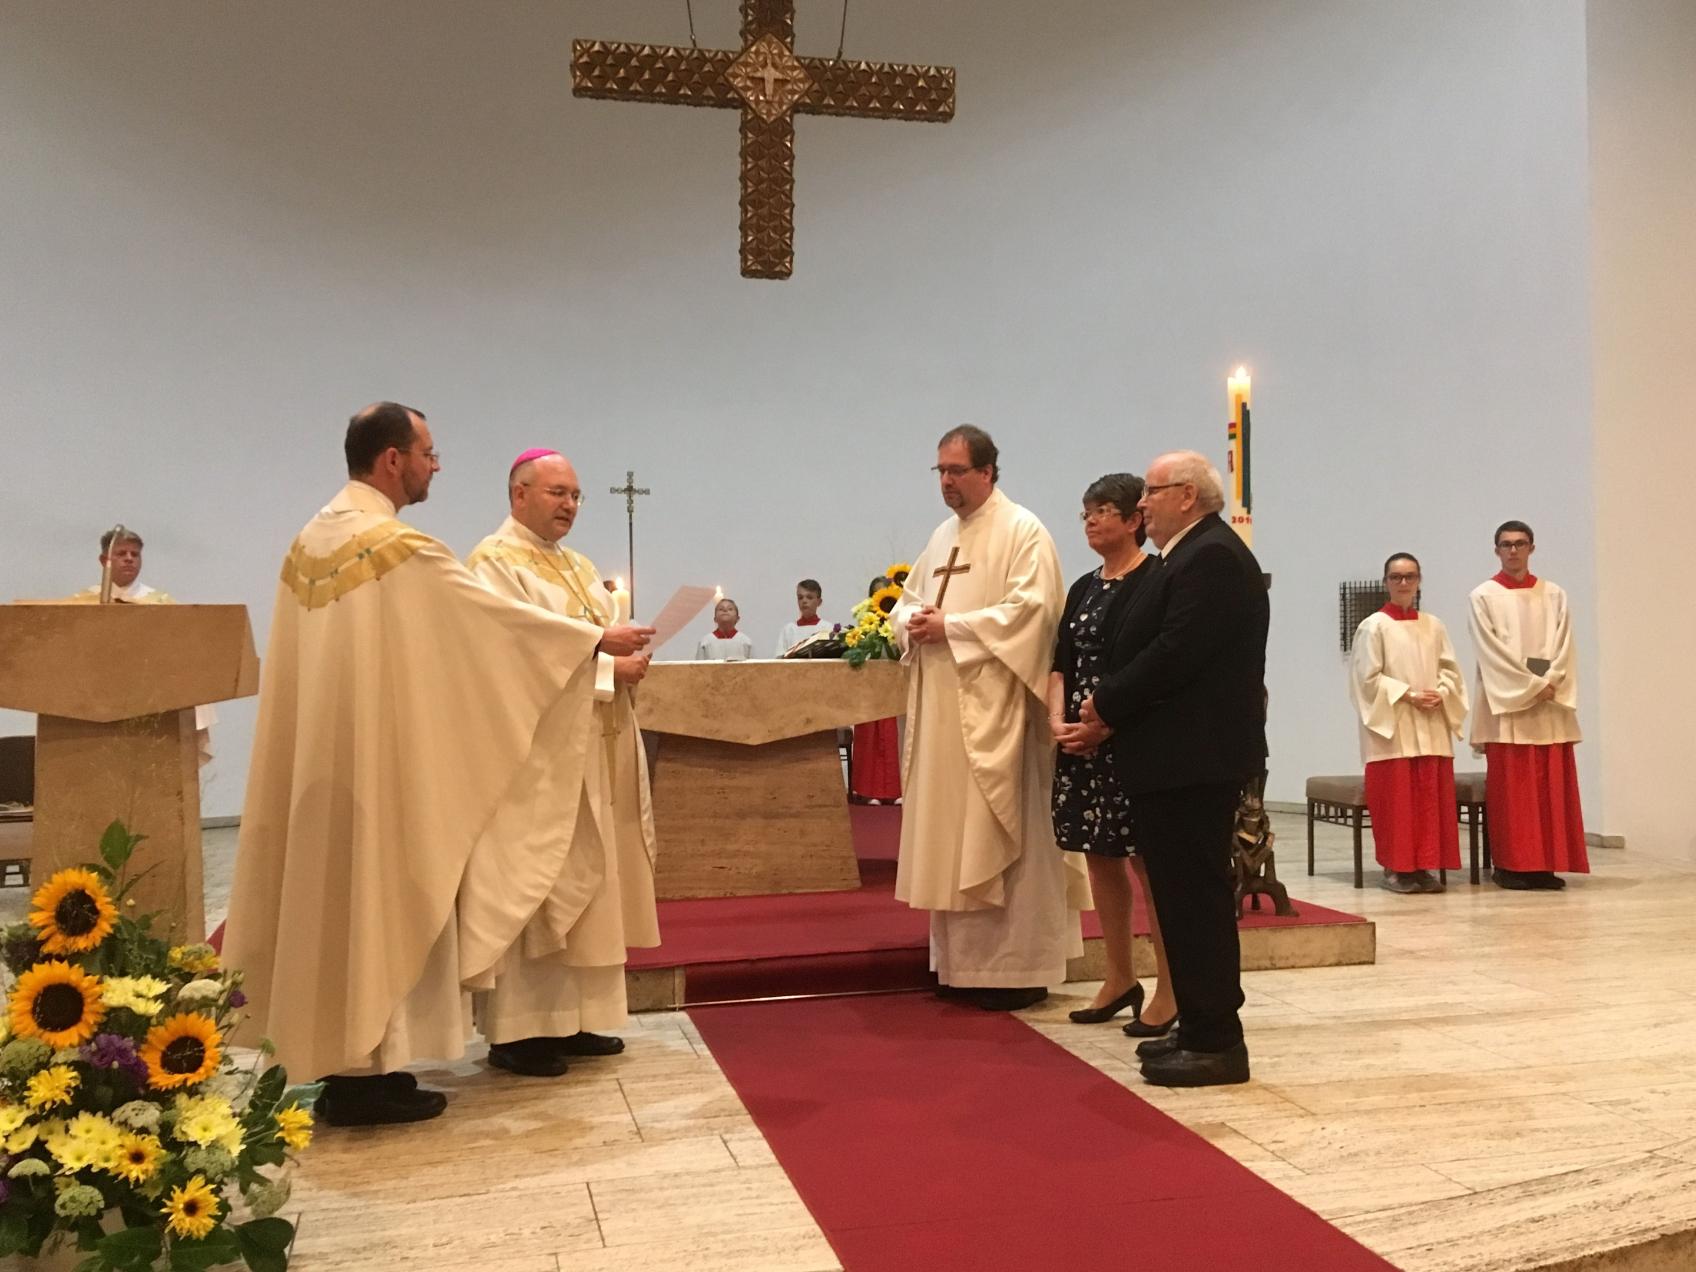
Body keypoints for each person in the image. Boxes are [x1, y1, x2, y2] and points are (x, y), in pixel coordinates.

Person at [223, 403, 651, 1127]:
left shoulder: (312, 539)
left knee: (343, 909)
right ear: (392, 459)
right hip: (384, 764)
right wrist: (591, 643)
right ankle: (357, 1076)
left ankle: (362, 1069)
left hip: (331, 763)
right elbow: (490, 630)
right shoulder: (397, 548)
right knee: (378, 904)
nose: (437, 464)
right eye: (428, 452)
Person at [463, 448, 661, 1077]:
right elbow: (510, 654)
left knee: (593, 876)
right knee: (539, 876)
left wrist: (625, 664)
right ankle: (520, 1032)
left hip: (593, 745)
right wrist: (607, 660)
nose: (569, 505)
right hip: (538, 760)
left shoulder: (576, 567)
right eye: (556, 493)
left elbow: (597, 637)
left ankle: (576, 1018)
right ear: (518, 493)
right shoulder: (492, 564)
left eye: (575, 495)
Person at [1079, 450, 1268, 1088]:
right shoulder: (1188, 553)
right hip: (1175, 756)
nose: (1142, 505)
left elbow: (1177, 651)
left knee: (1195, 901)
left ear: (1187, 495)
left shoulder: (1210, 555)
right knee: (1184, 900)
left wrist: (1106, 701)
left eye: (1152, 493)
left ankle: (1216, 1041)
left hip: (1193, 756)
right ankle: (1198, 1026)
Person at [891, 425, 1088, 1012]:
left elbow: (1035, 612)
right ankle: (959, 964)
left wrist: (949, 626)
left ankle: (1017, 966)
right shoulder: (942, 536)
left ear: (987, 472)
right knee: (953, 830)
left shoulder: (1023, 531)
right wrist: (913, 622)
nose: (947, 482)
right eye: (940, 472)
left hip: (1000, 716)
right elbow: (906, 603)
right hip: (946, 714)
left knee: (1005, 832)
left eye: (957, 471)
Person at [1049, 474, 1175, 1035]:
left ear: (1134, 521)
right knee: (1099, 858)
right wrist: (1059, 719)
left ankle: (1171, 987)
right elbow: (1061, 660)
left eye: (1103, 511)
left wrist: (1105, 725)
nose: (1091, 522)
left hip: (1132, 739)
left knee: (1150, 865)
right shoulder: (1083, 587)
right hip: (1080, 741)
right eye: (1085, 513)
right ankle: (1119, 976)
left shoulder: (1155, 581)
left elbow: (1154, 667)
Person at [1468, 521, 1588, 890]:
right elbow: (1491, 652)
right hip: (1509, 707)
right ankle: (1511, 866)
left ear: (1532, 548)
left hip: (1549, 704)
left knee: (1549, 788)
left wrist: (1549, 681)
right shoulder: (1483, 596)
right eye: (1506, 545)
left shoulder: (1554, 594)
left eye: (1520, 544)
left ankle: (1545, 865)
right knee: (1514, 792)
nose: (1513, 551)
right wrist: (1533, 684)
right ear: (1496, 550)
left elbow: (1563, 642)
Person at [1350, 553, 1469, 894]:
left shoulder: (1434, 625)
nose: (1404, 583)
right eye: (1396, 577)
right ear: (1386, 582)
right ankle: (1396, 869)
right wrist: (1407, 695)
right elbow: (1366, 678)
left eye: (1410, 577)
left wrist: (1441, 692)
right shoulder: (1373, 626)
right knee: (1398, 801)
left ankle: (1423, 866)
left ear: (1419, 581)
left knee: (1428, 798)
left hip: (1431, 723)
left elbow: (1450, 670)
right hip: (1395, 726)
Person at [65, 529, 217, 755]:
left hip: (151, 702)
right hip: (94, 702)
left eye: (135, 555)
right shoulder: (82, 603)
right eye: (121, 553)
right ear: (104, 560)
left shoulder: (161, 604)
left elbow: (181, 651)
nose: (129, 559)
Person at [850, 575, 903, 804]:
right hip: (871, 689)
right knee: (870, 738)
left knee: (894, 739)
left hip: (894, 688)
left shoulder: (900, 622)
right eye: (875, 594)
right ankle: (869, 791)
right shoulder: (866, 623)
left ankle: (896, 790)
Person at [776, 578, 828, 654]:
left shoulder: (828, 628)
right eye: (800, 597)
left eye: (809, 597)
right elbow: (779, 660)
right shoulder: (788, 630)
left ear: (819, 602)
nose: (804, 601)